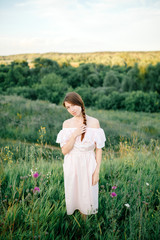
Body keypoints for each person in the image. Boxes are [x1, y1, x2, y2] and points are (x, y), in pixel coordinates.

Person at [56, 92, 106, 220]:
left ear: (80, 103)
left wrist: (97, 171)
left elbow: (98, 149)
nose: (71, 109)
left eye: (73, 105)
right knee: (74, 195)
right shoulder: (66, 124)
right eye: (68, 107)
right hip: (72, 163)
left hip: (89, 163)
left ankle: (85, 226)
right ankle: (76, 225)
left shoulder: (94, 123)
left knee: (87, 196)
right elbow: (64, 151)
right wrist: (74, 135)